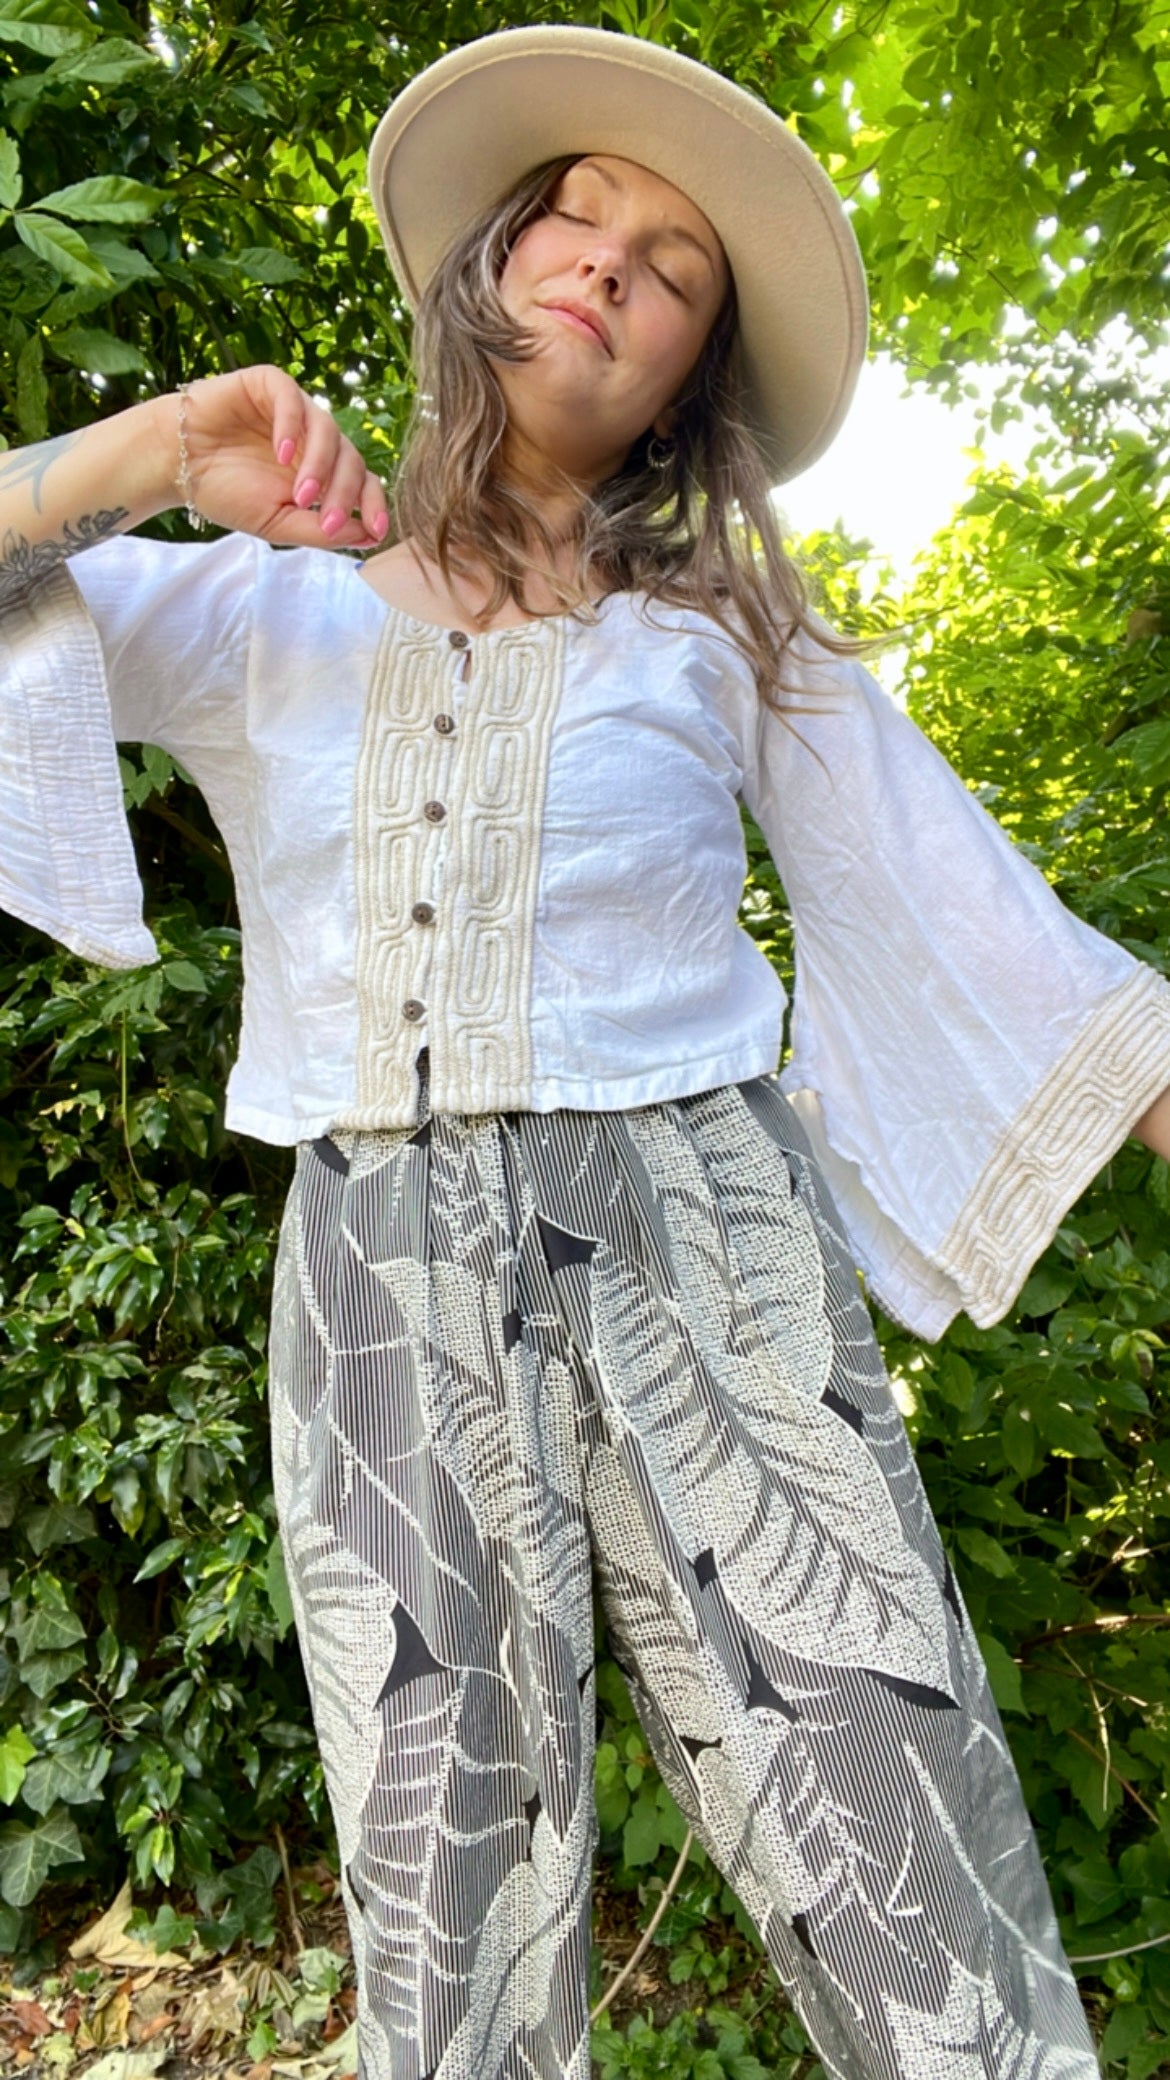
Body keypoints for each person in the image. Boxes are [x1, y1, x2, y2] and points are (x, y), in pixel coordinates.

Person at [2, 24, 1168, 2080]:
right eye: (573, 211)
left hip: (712, 1241)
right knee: (444, 1898)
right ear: (492, 261)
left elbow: (990, 930)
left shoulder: (723, 637)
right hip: (380, 1271)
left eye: (676, 267)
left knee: (896, 1813)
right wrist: (158, 448)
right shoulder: (267, 610)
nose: (611, 258)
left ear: (688, 377)